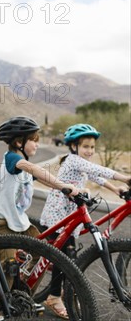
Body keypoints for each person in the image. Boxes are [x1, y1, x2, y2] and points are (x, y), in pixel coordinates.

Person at [0, 116, 80, 321]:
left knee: (41, 253)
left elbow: (43, 174)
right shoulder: (12, 158)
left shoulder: (25, 164)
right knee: (9, 264)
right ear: (19, 142)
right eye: (34, 139)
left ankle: (21, 296)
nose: (37, 143)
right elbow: (34, 169)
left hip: (18, 222)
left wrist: (67, 187)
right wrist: (64, 187)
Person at [39, 123, 131, 319]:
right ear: (74, 147)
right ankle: (54, 297)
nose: (90, 150)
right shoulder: (73, 160)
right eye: (86, 146)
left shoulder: (79, 162)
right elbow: (96, 168)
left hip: (70, 217)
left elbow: (94, 175)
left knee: (68, 256)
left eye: (92, 147)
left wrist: (115, 189)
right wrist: (124, 178)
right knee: (63, 258)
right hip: (59, 216)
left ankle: (62, 292)